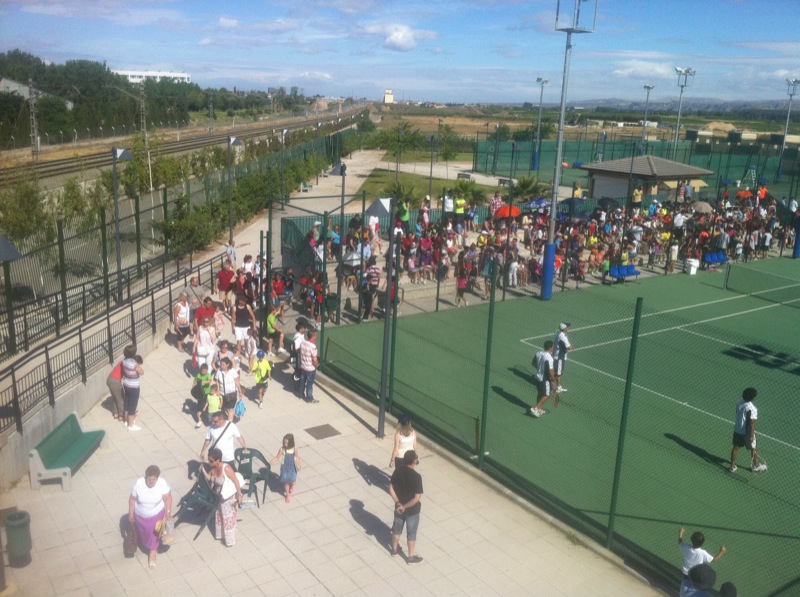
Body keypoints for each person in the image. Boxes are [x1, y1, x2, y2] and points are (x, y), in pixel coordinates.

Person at [129, 465, 172, 568]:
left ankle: (152, 552)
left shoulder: (162, 483)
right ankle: (145, 542)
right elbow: (132, 499)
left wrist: (168, 512)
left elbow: (168, 498)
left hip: (156, 514)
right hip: (140, 515)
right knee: (144, 533)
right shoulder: (138, 483)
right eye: (149, 479)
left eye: (154, 479)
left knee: (153, 535)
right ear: (146, 477)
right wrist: (131, 513)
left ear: (157, 478)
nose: (151, 482)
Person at [199, 447, 242, 547]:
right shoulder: (213, 468)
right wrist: (203, 470)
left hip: (228, 497)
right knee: (220, 515)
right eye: (209, 460)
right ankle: (222, 535)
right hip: (219, 496)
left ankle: (229, 541)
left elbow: (235, 481)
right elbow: (210, 478)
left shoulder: (226, 468)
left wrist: (240, 494)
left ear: (218, 460)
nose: (209, 462)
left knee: (227, 517)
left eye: (211, 461)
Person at [389, 450, 424, 563]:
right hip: (412, 510)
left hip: (398, 507)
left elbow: (391, 487)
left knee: (396, 530)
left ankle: (394, 550)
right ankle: (410, 557)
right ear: (414, 461)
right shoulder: (417, 477)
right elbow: (416, 498)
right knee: (411, 533)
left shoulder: (398, 471)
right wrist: (405, 506)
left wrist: (398, 502)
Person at [730, 387, 766, 472]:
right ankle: (755, 465)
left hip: (737, 429)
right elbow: (751, 423)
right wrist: (751, 435)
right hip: (747, 432)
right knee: (754, 448)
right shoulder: (752, 408)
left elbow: (737, 413)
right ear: (753, 397)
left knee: (736, 447)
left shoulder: (739, 404)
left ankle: (732, 466)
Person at [270, 433, 302, 503]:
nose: (285, 444)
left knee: (292, 480)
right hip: (285, 468)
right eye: (284, 443)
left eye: (287, 443)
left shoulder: (294, 449)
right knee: (286, 482)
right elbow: (277, 457)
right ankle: (287, 495)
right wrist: (270, 462)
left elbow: (297, 457)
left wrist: (299, 465)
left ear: (291, 443)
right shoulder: (282, 449)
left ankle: (292, 486)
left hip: (293, 467)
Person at [530, 340, 556, 417]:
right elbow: (551, 372)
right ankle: (535, 408)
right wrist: (553, 380)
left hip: (537, 377)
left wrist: (540, 369)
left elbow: (533, 363)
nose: (553, 348)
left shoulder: (538, 353)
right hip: (544, 379)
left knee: (540, 393)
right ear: (550, 348)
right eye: (553, 347)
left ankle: (539, 409)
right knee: (547, 394)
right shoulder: (549, 358)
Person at [122, 345, 144, 431]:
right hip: (134, 386)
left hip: (126, 384)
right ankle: (131, 425)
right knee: (133, 405)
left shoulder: (124, 361)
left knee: (127, 402)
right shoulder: (134, 364)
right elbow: (141, 372)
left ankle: (126, 420)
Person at [215, 357, 243, 422]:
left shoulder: (233, 371)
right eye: (221, 364)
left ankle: (230, 423)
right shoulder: (219, 372)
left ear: (227, 364)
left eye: (223, 365)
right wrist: (218, 389)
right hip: (223, 394)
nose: (221, 366)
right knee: (224, 408)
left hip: (232, 394)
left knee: (231, 409)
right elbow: (217, 381)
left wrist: (240, 391)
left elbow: (237, 382)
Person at [297, 329, 319, 404]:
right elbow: (314, 359)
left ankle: (300, 394)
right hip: (310, 368)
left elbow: (299, 350)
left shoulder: (303, 343)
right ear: (313, 336)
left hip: (303, 366)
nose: (316, 337)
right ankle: (309, 398)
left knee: (302, 380)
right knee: (309, 384)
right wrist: (317, 365)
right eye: (315, 335)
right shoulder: (313, 347)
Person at [552, 322, 573, 393]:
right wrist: (571, 346)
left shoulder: (559, 333)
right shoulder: (562, 336)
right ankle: (558, 387)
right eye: (567, 327)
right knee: (559, 373)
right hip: (559, 358)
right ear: (564, 328)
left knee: (558, 372)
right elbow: (569, 347)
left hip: (558, 357)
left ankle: (555, 384)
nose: (568, 328)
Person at [191, 363, 213, 428]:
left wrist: (201, 382)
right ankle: (199, 421)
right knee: (200, 407)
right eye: (203, 371)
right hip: (200, 393)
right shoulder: (198, 375)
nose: (204, 372)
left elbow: (209, 381)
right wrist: (194, 385)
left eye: (205, 371)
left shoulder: (208, 375)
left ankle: (210, 420)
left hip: (207, 393)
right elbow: (195, 381)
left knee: (209, 406)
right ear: (200, 370)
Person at [106, 357, 125, 423]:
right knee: (120, 398)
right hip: (115, 381)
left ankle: (116, 413)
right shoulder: (126, 364)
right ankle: (121, 415)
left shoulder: (122, 362)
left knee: (114, 397)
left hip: (109, 379)